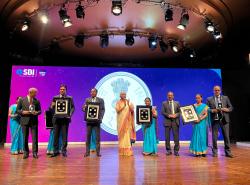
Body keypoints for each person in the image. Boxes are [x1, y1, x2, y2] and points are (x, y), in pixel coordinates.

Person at [206, 85, 233, 158]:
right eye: (215, 90)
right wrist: (213, 110)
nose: (217, 91)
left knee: (226, 137)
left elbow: (231, 107)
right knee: (214, 137)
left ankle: (228, 152)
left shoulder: (225, 98)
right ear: (213, 91)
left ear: (220, 91)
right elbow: (207, 109)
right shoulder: (209, 99)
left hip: (224, 120)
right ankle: (215, 152)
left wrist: (226, 109)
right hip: (215, 120)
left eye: (218, 90)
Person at [16, 88, 41, 159]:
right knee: (25, 137)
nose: (36, 94)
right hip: (25, 121)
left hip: (34, 121)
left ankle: (35, 152)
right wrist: (23, 112)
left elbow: (40, 111)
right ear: (31, 92)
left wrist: (37, 112)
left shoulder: (37, 101)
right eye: (35, 93)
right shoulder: (22, 100)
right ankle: (26, 152)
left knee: (35, 138)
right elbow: (18, 110)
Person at [50, 84, 75, 157]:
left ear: (66, 90)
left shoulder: (69, 98)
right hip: (57, 119)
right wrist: (51, 106)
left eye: (63, 89)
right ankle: (55, 151)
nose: (62, 90)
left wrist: (69, 115)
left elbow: (73, 107)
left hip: (65, 120)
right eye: (61, 89)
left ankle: (64, 151)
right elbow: (51, 108)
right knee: (56, 136)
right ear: (59, 90)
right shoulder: (55, 98)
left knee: (64, 136)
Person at [83, 88, 105, 157]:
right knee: (88, 137)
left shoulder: (100, 100)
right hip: (89, 121)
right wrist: (84, 108)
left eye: (94, 92)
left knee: (97, 138)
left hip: (97, 122)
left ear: (96, 93)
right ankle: (87, 152)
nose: (92, 93)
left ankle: (98, 152)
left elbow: (103, 110)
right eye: (91, 92)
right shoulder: (87, 100)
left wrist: (100, 117)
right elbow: (83, 109)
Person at [116, 92, 136, 156]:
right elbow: (117, 110)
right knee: (122, 137)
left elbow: (132, 111)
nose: (124, 95)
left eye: (125, 94)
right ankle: (122, 151)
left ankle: (128, 151)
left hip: (128, 122)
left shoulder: (129, 102)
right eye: (122, 94)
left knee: (127, 136)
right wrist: (124, 105)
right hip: (121, 123)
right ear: (120, 95)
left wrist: (130, 107)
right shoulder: (118, 102)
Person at [161, 91, 181, 156]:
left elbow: (180, 112)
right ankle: (168, 150)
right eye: (169, 95)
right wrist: (168, 115)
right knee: (167, 137)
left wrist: (176, 115)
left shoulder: (177, 103)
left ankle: (176, 151)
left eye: (171, 95)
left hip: (175, 122)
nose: (170, 96)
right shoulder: (164, 103)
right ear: (167, 96)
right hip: (167, 122)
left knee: (176, 137)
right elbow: (162, 112)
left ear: (173, 96)